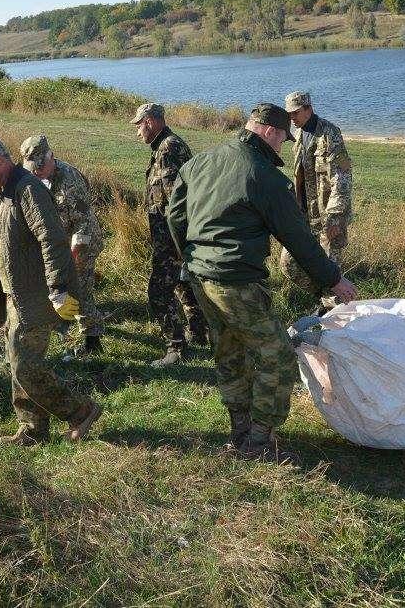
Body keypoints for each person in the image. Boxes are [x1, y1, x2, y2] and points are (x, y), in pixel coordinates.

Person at [166, 104, 357, 463]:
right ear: (269, 131)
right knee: (278, 358)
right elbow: (298, 237)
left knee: (228, 353)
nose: (283, 147)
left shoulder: (200, 162)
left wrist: (190, 259)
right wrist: (334, 280)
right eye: (283, 139)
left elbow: (174, 215)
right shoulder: (264, 176)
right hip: (237, 281)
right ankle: (258, 441)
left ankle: (239, 431)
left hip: (200, 278)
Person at [0, 135, 102, 445]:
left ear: (0, 162)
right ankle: (32, 429)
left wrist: (57, 287)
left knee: (27, 366)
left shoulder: (29, 190)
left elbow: (52, 239)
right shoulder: (2, 193)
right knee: (17, 363)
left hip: (35, 297)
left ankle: (81, 411)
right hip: (15, 296)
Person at [130, 102, 208, 368]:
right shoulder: (165, 146)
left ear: (150, 121)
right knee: (184, 285)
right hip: (175, 238)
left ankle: (176, 347)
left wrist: (177, 243)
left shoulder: (168, 149)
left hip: (173, 239)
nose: (137, 132)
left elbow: (175, 201)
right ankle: (199, 333)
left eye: (139, 125)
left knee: (158, 293)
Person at [19, 135, 106, 356]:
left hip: (83, 241)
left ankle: (93, 340)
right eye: (33, 167)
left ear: (51, 157)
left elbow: (83, 225)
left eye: (40, 166)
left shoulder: (69, 181)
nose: (36, 171)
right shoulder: (37, 176)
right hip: (62, 239)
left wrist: (71, 257)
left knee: (79, 286)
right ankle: (65, 321)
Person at [279, 91, 353, 313]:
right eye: (289, 114)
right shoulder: (299, 135)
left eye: (296, 113)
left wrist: (334, 216)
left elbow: (342, 177)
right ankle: (323, 299)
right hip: (304, 217)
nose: (292, 118)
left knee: (330, 272)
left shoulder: (329, 133)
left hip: (329, 217)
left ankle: (336, 320)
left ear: (308, 108)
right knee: (288, 263)